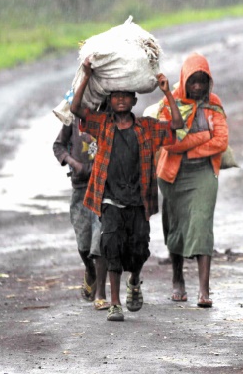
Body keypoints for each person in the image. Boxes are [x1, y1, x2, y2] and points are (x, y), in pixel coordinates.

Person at [69, 56, 184, 322]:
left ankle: (135, 281)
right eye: (116, 96)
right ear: (110, 101)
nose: (121, 100)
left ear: (134, 101)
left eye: (126, 97)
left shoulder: (146, 127)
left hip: (138, 202)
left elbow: (176, 126)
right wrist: (86, 74)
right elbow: (76, 109)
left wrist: (166, 91)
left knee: (139, 249)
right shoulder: (103, 125)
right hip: (109, 201)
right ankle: (115, 304)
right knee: (111, 248)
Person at [155, 53, 228, 308]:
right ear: (184, 80)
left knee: (201, 224)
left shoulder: (214, 104)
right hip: (173, 175)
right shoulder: (171, 102)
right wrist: (201, 138)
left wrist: (190, 148)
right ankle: (177, 279)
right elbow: (169, 144)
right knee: (175, 227)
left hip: (204, 173)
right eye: (193, 81)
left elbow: (221, 141)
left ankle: (204, 290)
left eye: (202, 81)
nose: (197, 87)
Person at [52, 118, 109, 310]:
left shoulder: (110, 115)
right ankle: (90, 271)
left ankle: (101, 293)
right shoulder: (73, 119)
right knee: (84, 243)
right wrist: (74, 163)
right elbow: (58, 146)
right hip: (81, 188)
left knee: (99, 239)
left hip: (104, 187)